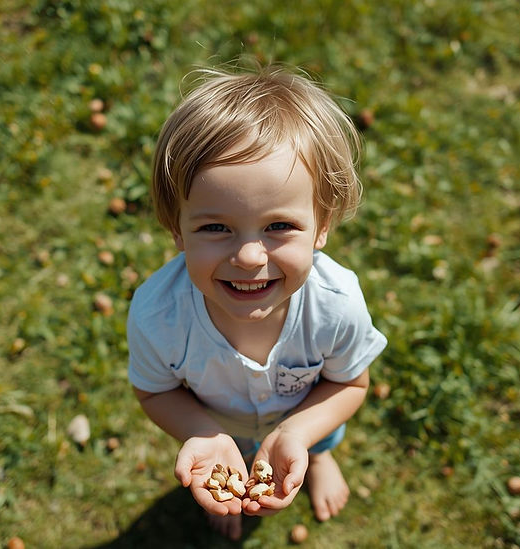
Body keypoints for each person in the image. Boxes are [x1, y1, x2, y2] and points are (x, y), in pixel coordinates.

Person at [126, 64, 387, 540]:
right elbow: (154, 391)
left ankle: (320, 458)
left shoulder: (337, 305)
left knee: (317, 438)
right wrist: (204, 437)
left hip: (304, 416)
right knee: (229, 461)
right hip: (215, 421)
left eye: (278, 226)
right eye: (215, 227)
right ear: (176, 229)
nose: (248, 256)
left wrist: (299, 435)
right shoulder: (156, 317)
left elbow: (349, 385)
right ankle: (226, 476)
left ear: (322, 226)